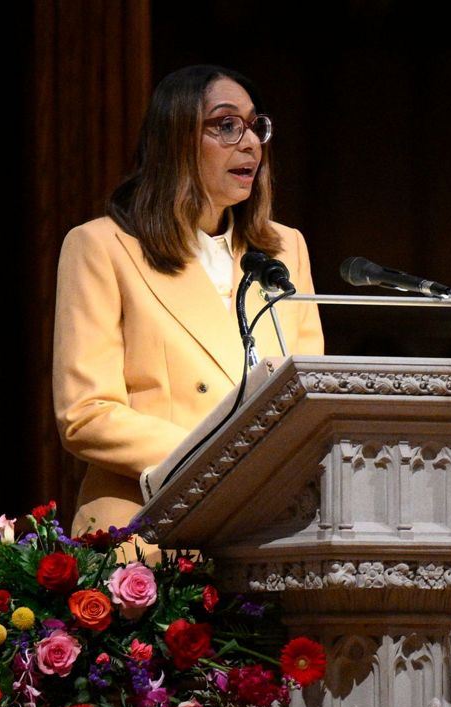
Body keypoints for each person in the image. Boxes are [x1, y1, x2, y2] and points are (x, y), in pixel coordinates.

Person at [52, 65, 324, 549]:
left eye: (255, 126)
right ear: (176, 138)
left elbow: (311, 396)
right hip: (148, 527)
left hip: (267, 529)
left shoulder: (286, 249)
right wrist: (219, 458)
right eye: (226, 126)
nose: (251, 145)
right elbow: (86, 414)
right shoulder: (102, 246)